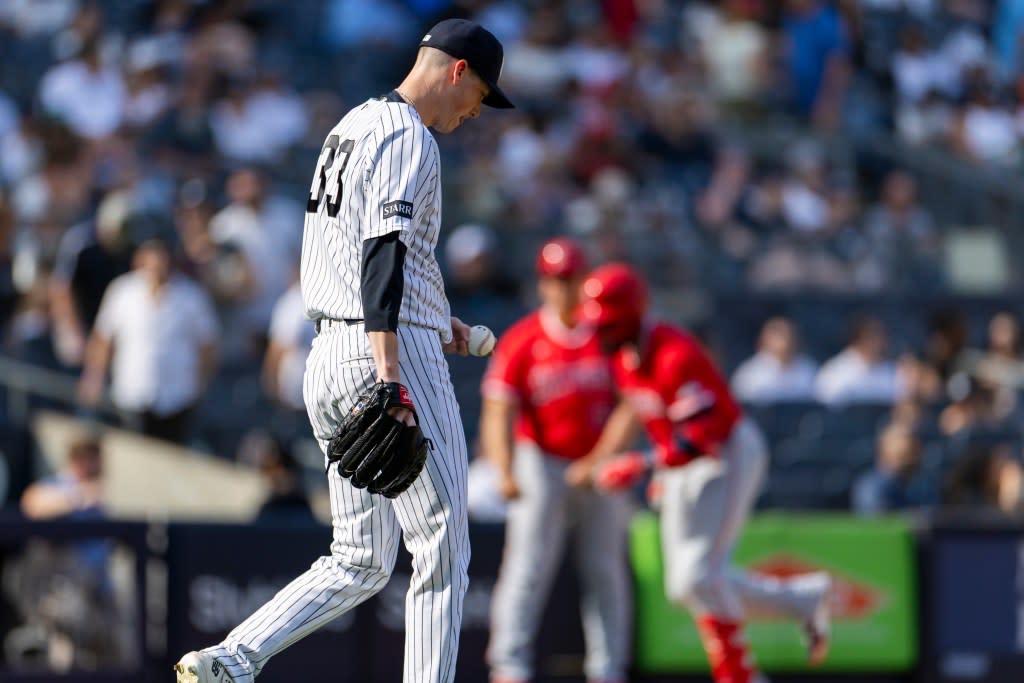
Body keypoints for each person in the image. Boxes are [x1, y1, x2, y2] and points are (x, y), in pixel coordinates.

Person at [174, 18, 514, 683]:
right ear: (458, 71)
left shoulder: (352, 125)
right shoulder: (408, 137)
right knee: (443, 546)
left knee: (360, 555)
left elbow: (363, 252)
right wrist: (392, 371)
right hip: (382, 353)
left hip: (326, 351)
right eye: (481, 94)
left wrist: (430, 315)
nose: (478, 111)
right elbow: (381, 252)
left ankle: (230, 658)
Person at [579, 263, 832, 683]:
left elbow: (703, 439)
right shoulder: (626, 357)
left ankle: (739, 674)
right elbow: (663, 424)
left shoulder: (675, 354)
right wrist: (659, 467)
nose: (598, 333)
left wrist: (643, 465)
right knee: (684, 586)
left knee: (701, 576)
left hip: (728, 454)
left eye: (606, 323)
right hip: (682, 462)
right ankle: (801, 600)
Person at [482, 238, 633, 683]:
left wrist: (600, 458)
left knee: (605, 568)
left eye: (569, 278)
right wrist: (504, 469)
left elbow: (632, 404)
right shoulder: (524, 338)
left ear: (585, 281)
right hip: (540, 458)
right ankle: (509, 665)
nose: (562, 287)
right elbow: (498, 410)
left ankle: (609, 668)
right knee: (527, 564)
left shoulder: (605, 332)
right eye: (554, 279)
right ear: (542, 283)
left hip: (599, 461)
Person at [78, 232, 219, 443]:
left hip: (177, 396)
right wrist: (93, 376)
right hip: (131, 393)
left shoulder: (192, 296)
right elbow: (103, 339)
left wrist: (199, 384)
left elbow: (208, 346)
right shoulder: (122, 291)